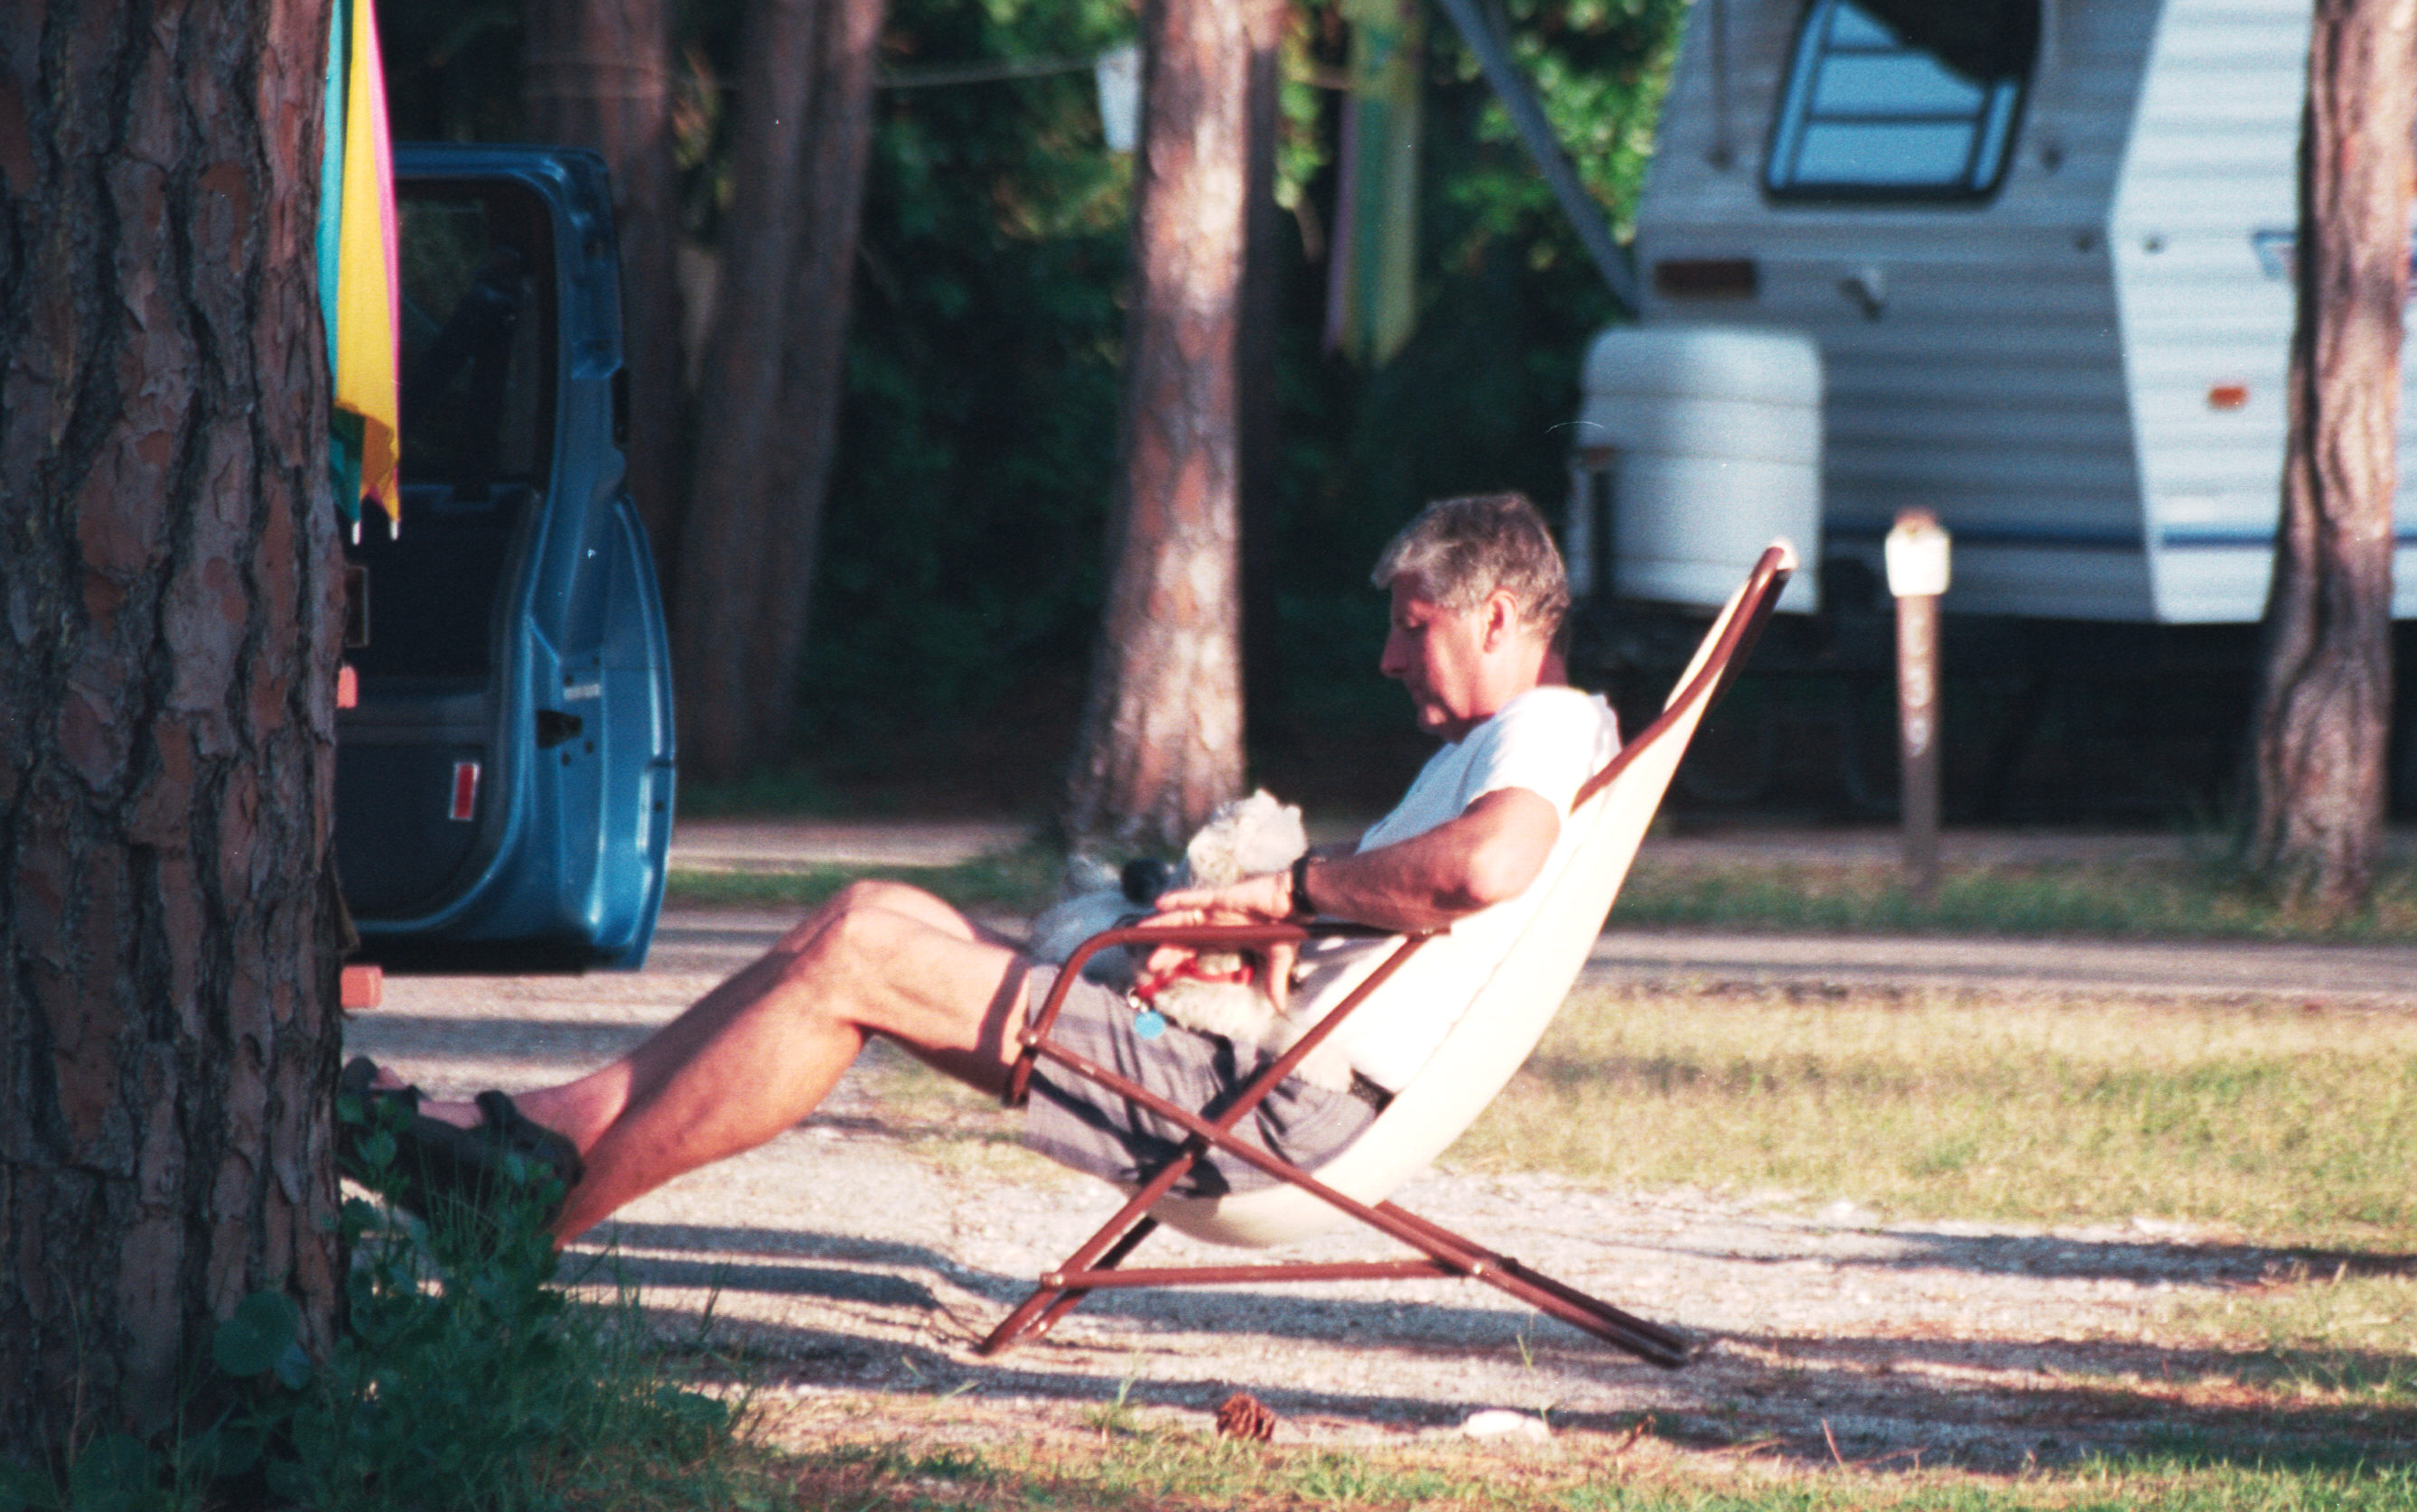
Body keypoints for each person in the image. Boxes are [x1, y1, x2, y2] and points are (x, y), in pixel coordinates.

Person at [351, 493, 1619, 1243]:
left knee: (862, 960)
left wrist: (1287, 894)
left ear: (1498, 620)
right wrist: (1249, 929)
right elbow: (1407, 919)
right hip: (1248, 1060)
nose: (1393, 661)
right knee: (875, 908)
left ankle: (524, 1238)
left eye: (1414, 627)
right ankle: (537, 1135)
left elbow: (1489, 866)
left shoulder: (1544, 731)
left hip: (1262, 1109)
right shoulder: (1509, 742)